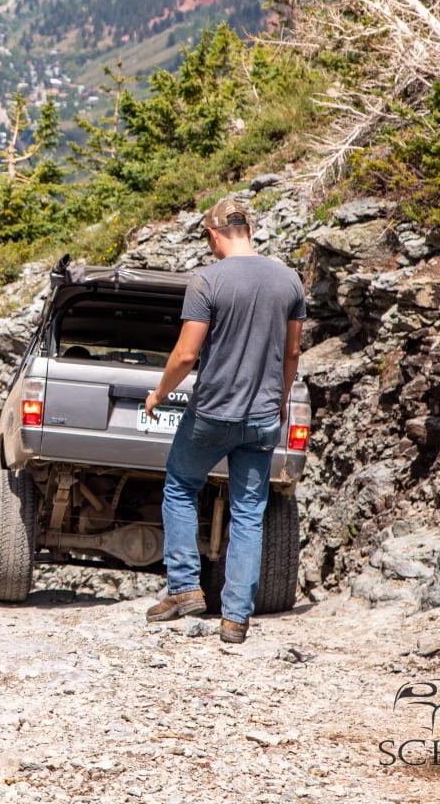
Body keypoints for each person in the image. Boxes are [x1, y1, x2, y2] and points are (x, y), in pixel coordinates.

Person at [142, 197, 306, 644]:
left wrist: (159, 394)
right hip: (262, 418)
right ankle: (235, 618)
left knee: (180, 485)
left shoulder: (207, 281)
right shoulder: (289, 280)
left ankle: (184, 587)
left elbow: (186, 354)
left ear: (214, 234)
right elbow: (293, 352)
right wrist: (280, 400)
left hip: (212, 413)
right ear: (248, 230)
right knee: (248, 513)